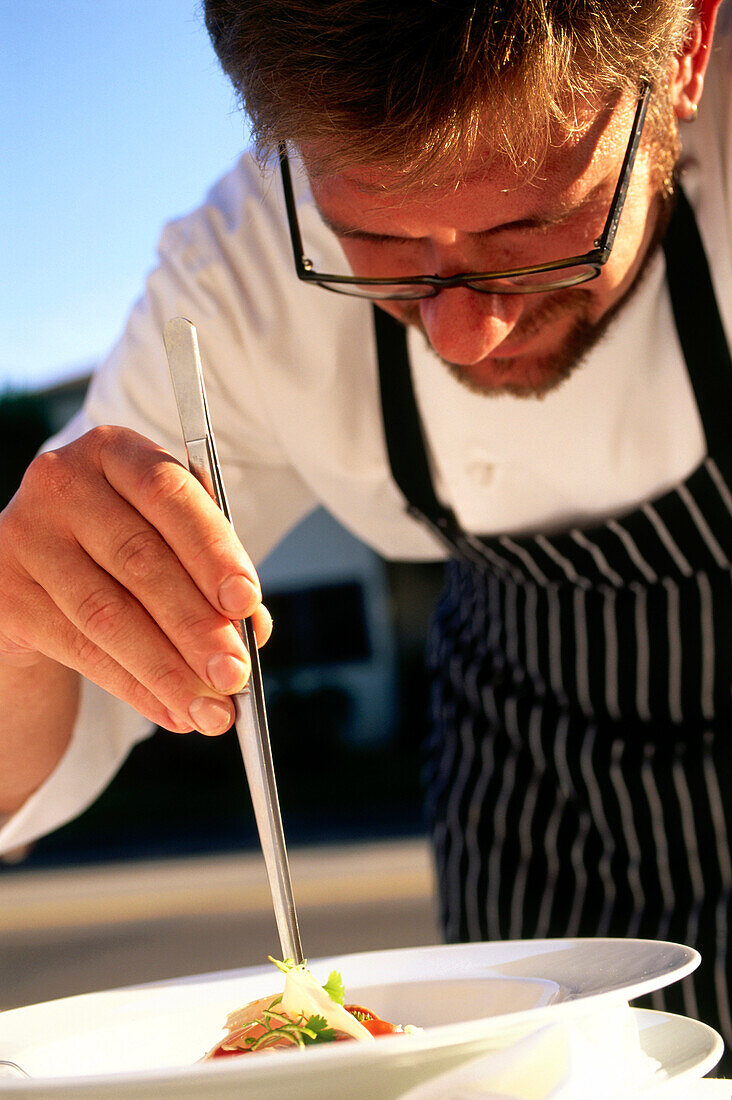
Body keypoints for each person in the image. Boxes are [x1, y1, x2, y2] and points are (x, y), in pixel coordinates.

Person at [1, 0, 731, 1068]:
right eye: (378, 247)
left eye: (528, 234)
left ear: (689, 52)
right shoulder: (237, 286)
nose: (462, 329)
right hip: (539, 781)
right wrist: (18, 630)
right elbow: (42, 735)